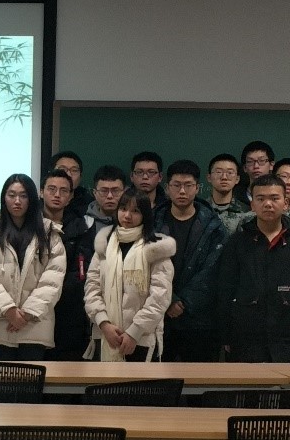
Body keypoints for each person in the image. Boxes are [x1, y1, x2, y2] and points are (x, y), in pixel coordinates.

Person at [216, 174, 290, 363]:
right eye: (260, 199)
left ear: (286, 203)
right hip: (246, 338)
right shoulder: (237, 243)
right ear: (252, 205)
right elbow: (224, 289)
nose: (267, 204)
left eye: (274, 198)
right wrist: (225, 335)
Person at [0, 174, 65, 361]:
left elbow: (53, 280)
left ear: (32, 199)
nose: (17, 201)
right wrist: (9, 310)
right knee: (2, 379)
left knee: (31, 379)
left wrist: (27, 314)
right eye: (12, 195)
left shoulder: (50, 234)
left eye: (23, 196)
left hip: (34, 325)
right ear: (4, 197)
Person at [84, 187, 175, 361]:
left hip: (141, 339)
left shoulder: (156, 248)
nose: (127, 215)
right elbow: (92, 288)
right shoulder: (104, 245)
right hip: (105, 335)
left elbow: (160, 297)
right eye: (123, 209)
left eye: (135, 211)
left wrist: (134, 332)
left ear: (145, 215)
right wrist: (104, 323)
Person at [154, 160, 225, 362]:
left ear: (198, 188)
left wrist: (183, 301)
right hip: (158, 316)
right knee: (157, 377)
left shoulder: (213, 226)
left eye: (188, 185)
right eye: (176, 185)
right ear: (167, 187)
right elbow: (145, 267)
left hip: (200, 320)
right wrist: (169, 299)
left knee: (199, 377)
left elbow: (212, 270)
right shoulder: (152, 223)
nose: (182, 191)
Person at [40, 168, 90, 361]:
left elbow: (81, 271)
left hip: (68, 310)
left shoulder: (80, 227)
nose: (57, 195)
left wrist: (54, 291)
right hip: (33, 308)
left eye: (63, 191)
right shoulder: (29, 225)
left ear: (70, 197)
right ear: (41, 192)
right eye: (51, 189)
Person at [206, 153, 248, 236]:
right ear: (209, 177)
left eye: (230, 172)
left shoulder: (247, 211)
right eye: (218, 172)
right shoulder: (199, 209)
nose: (224, 177)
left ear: (237, 179)